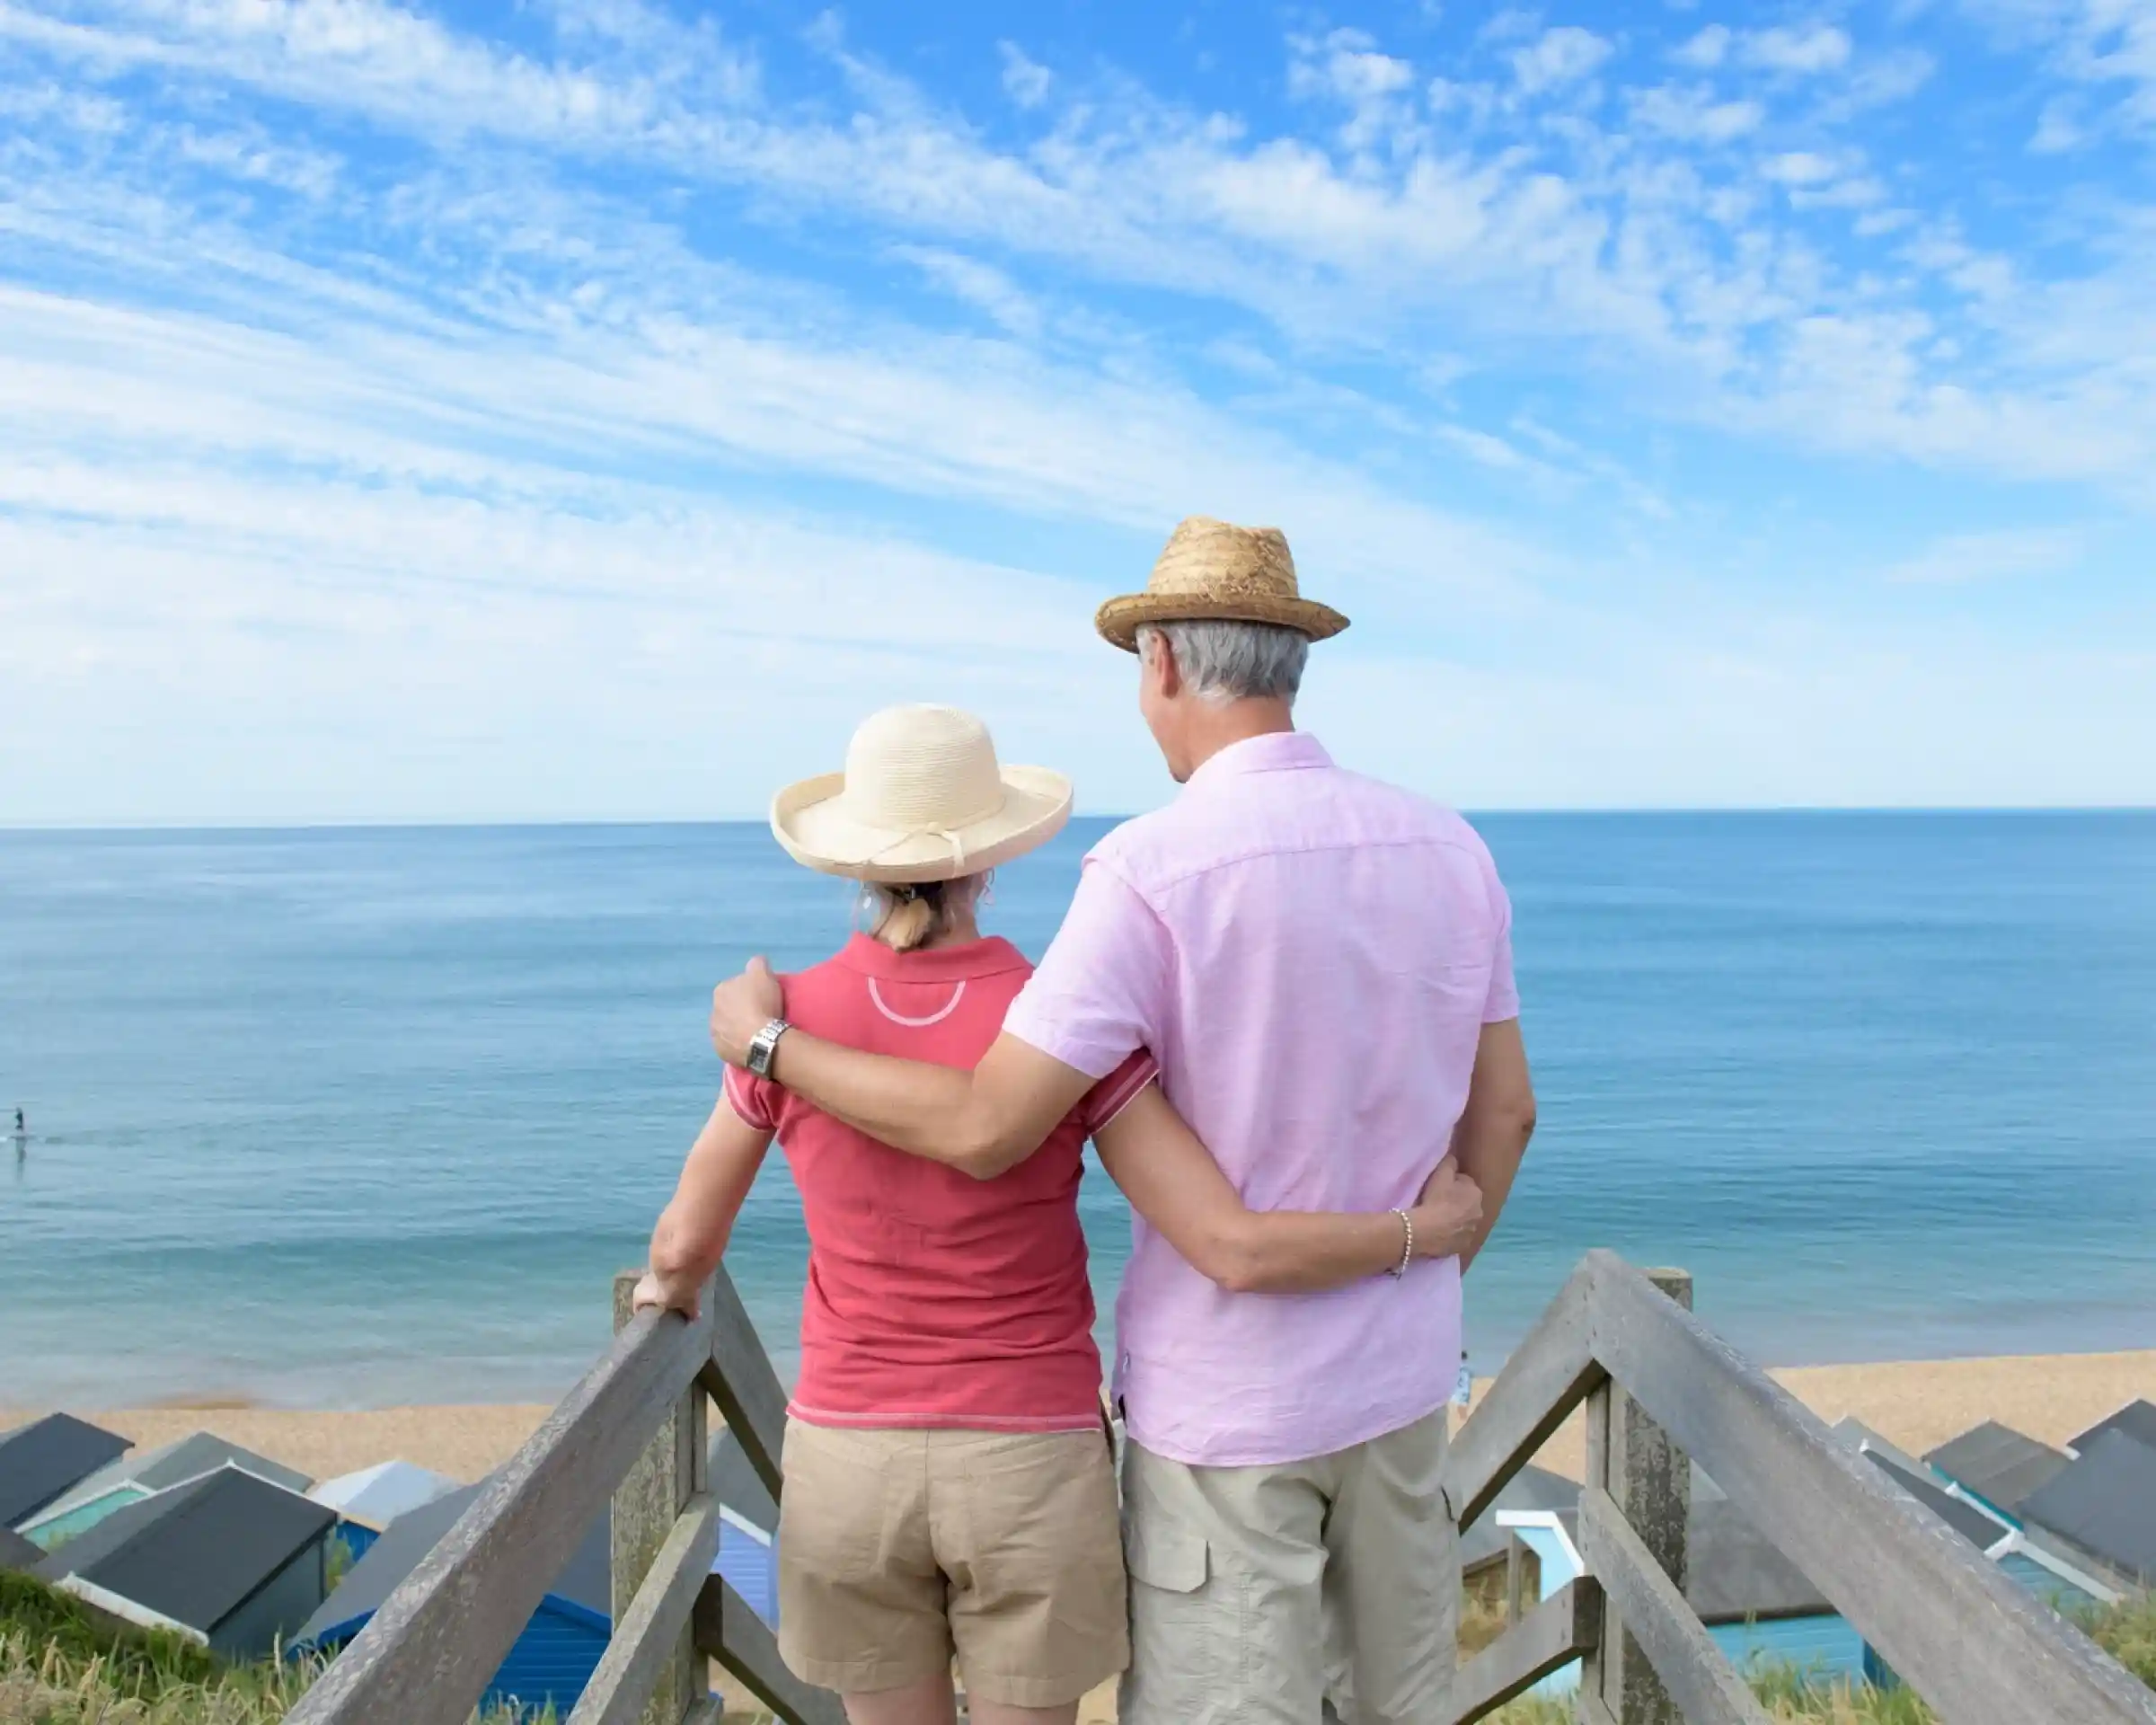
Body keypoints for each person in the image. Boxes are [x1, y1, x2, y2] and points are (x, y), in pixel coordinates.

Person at [708, 518, 1537, 1725]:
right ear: (1290, 663)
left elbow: (993, 1123)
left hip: (1228, 1418)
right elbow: (1505, 1113)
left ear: (1160, 663)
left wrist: (772, 1046)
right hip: (1402, 1393)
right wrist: (1430, 1255)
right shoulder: (1451, 846)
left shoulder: (1151, 872)